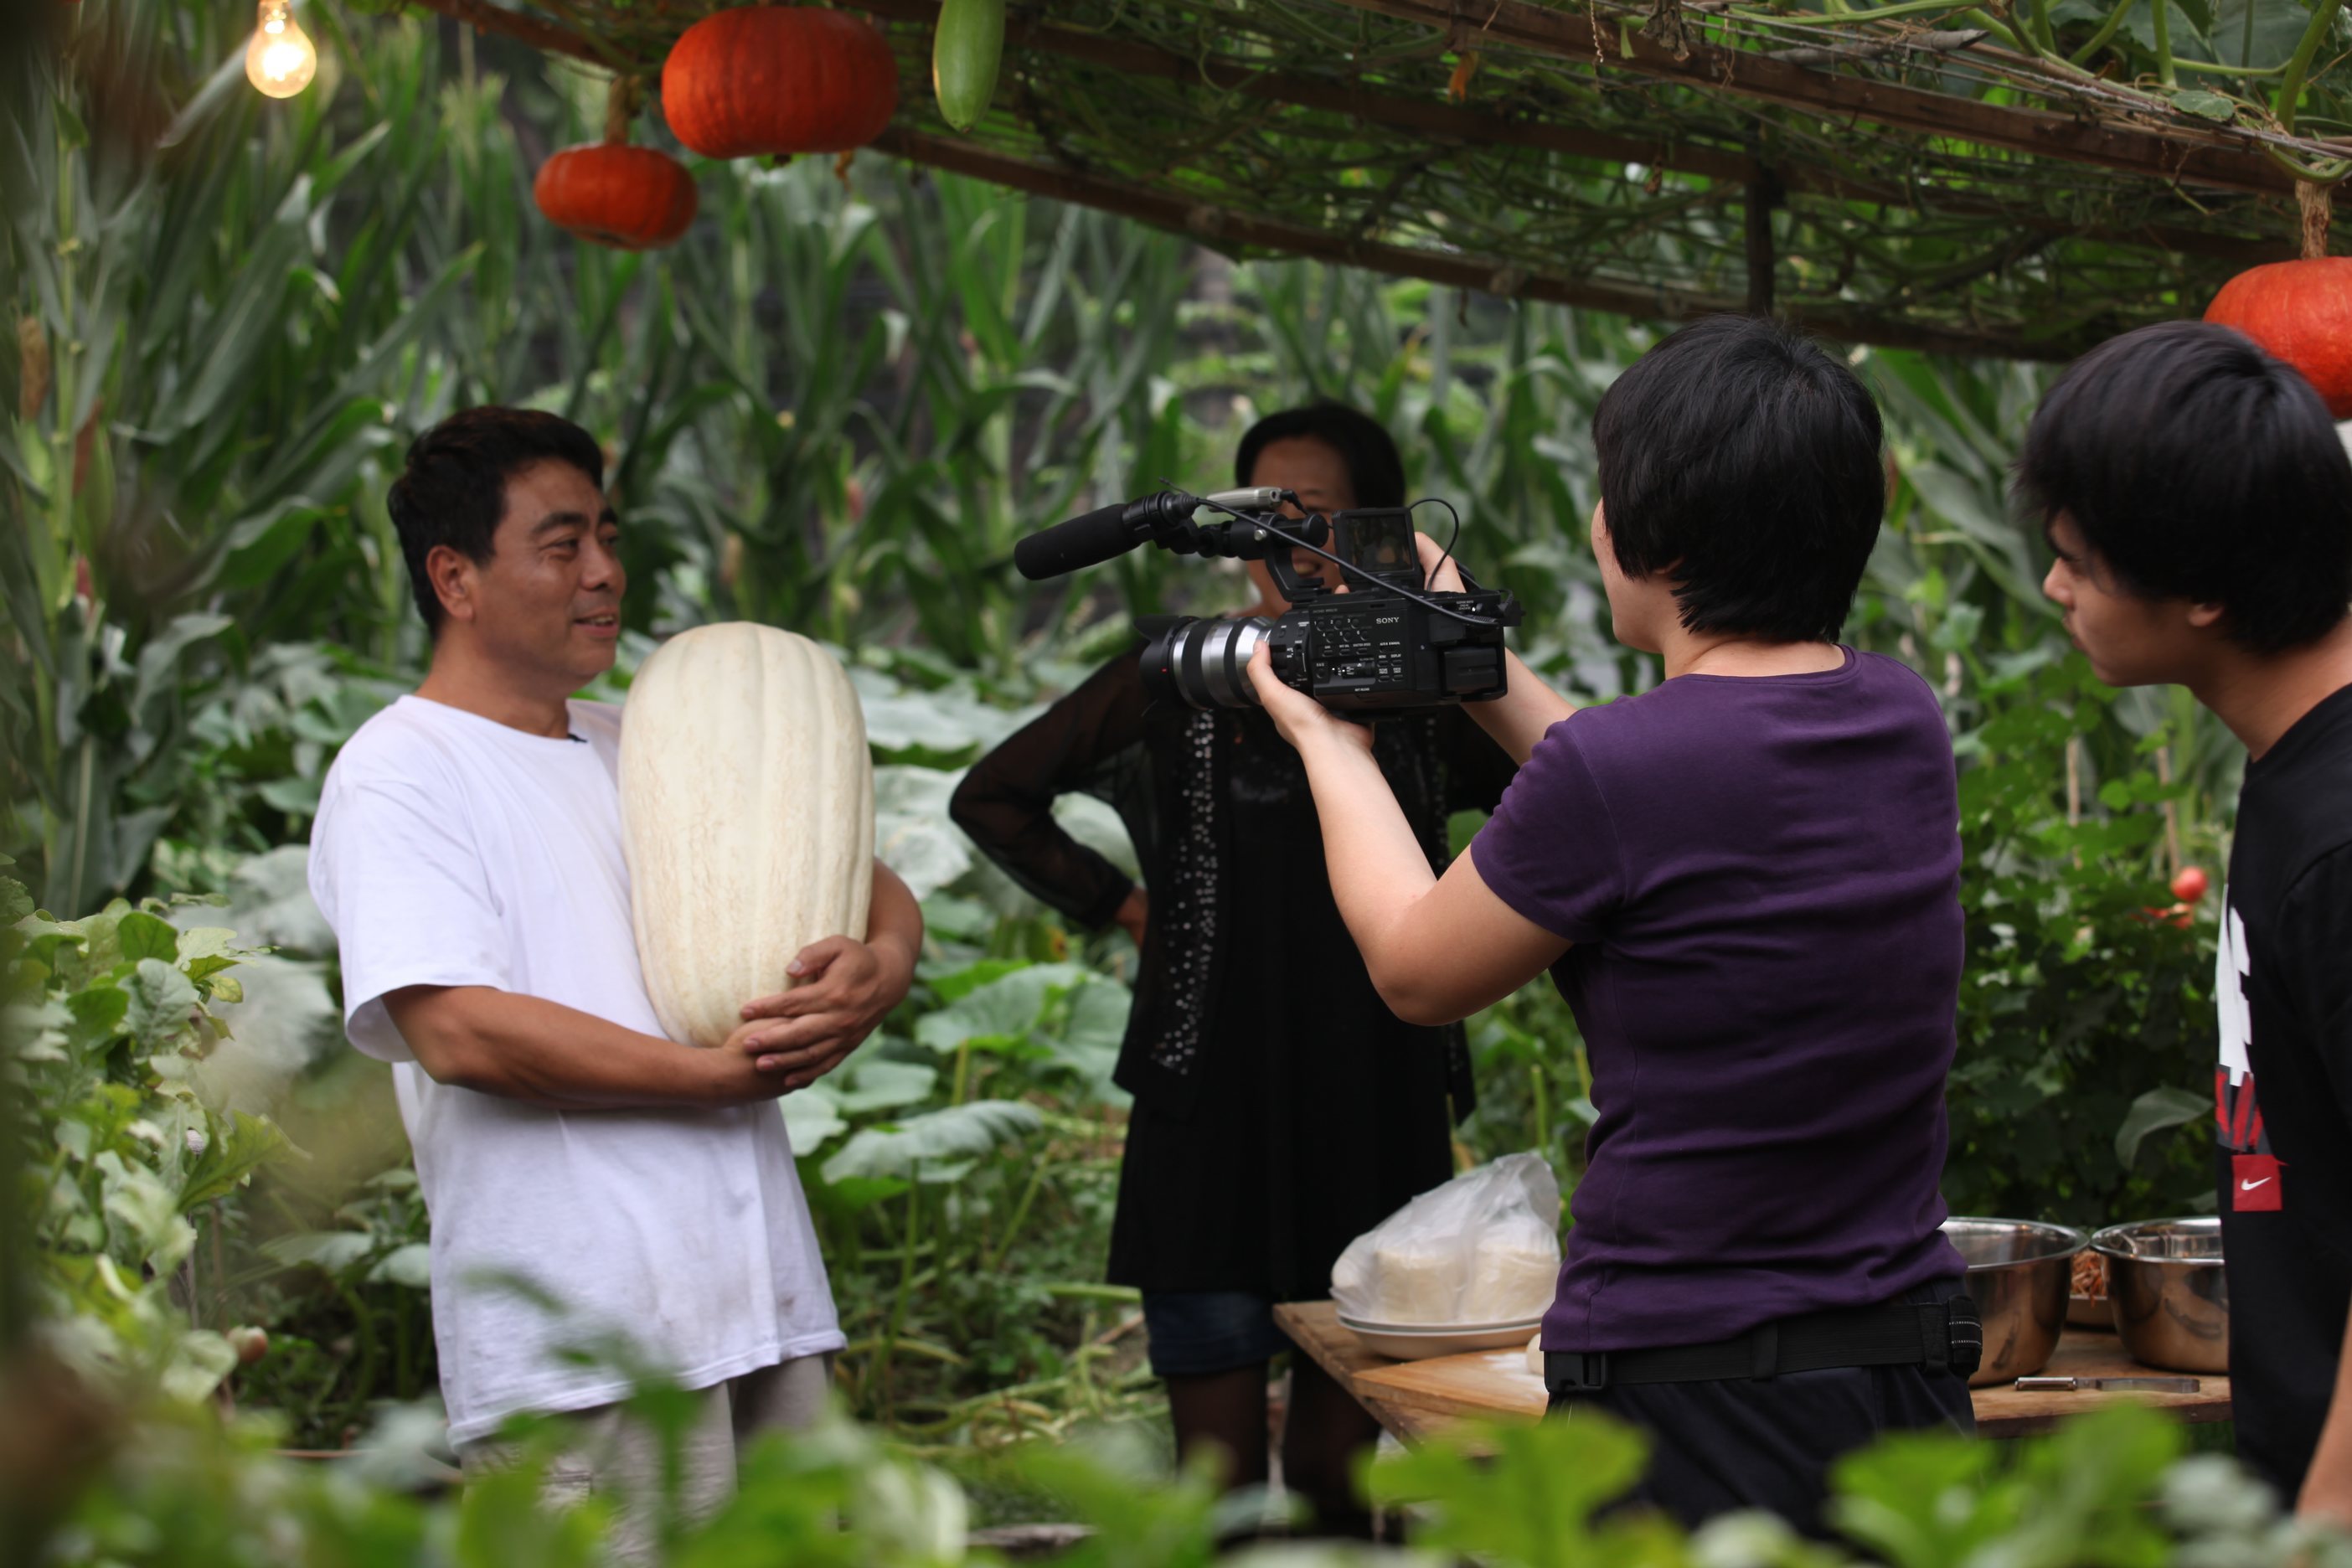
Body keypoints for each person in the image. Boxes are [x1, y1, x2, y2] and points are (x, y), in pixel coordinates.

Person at [1246, 317, 1977, 1535]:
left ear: (1641, 531)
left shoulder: (1621, 773)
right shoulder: (1897, 715)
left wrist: (1327, 744)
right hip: (1898, 1357)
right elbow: (1650, 784)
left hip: (1694, 1379)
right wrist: (1465, 643)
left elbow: (1417, 967)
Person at [307, 407, 922, 1561]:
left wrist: (878, 967)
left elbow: (872, 879)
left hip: (757, 1311)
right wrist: (713, 1080)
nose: (605, 573)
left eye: (608, 535)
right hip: (579, 1350)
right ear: (457, 577)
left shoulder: (631, 735)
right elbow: (461, 1032)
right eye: (561, 543)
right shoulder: (398, 775)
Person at [949, 404, 1518, 1538]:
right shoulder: (1184, 674)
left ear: (1384, 526)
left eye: (1319, 513)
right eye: (1267, 512)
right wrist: (1124, 906)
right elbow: (993, 795)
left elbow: (1550, 802)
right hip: (1205, 1098)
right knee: (1213, 1478)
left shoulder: (1428, 691)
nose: (1290, 541)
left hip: (1374, 1097)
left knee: (1331, 1471)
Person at [2017, 320, 2352, 1516]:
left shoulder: (2341, 833)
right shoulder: (2294, 770)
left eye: (2078, 557)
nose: (2054, 583)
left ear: (2203, 589)